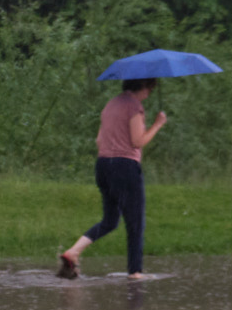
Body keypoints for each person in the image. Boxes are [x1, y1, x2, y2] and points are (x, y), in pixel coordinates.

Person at [58, 77, 166, 279]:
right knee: (135, 223)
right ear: (142, 86)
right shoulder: (134, 106)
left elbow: (100, 140)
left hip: (103, 166)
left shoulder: (111, 104)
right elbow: (137, 141)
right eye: (150, 88)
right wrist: (157, 125)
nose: (150, 93)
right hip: (125, 167)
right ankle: (135, 272)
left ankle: (73, 252)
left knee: (110, 220)